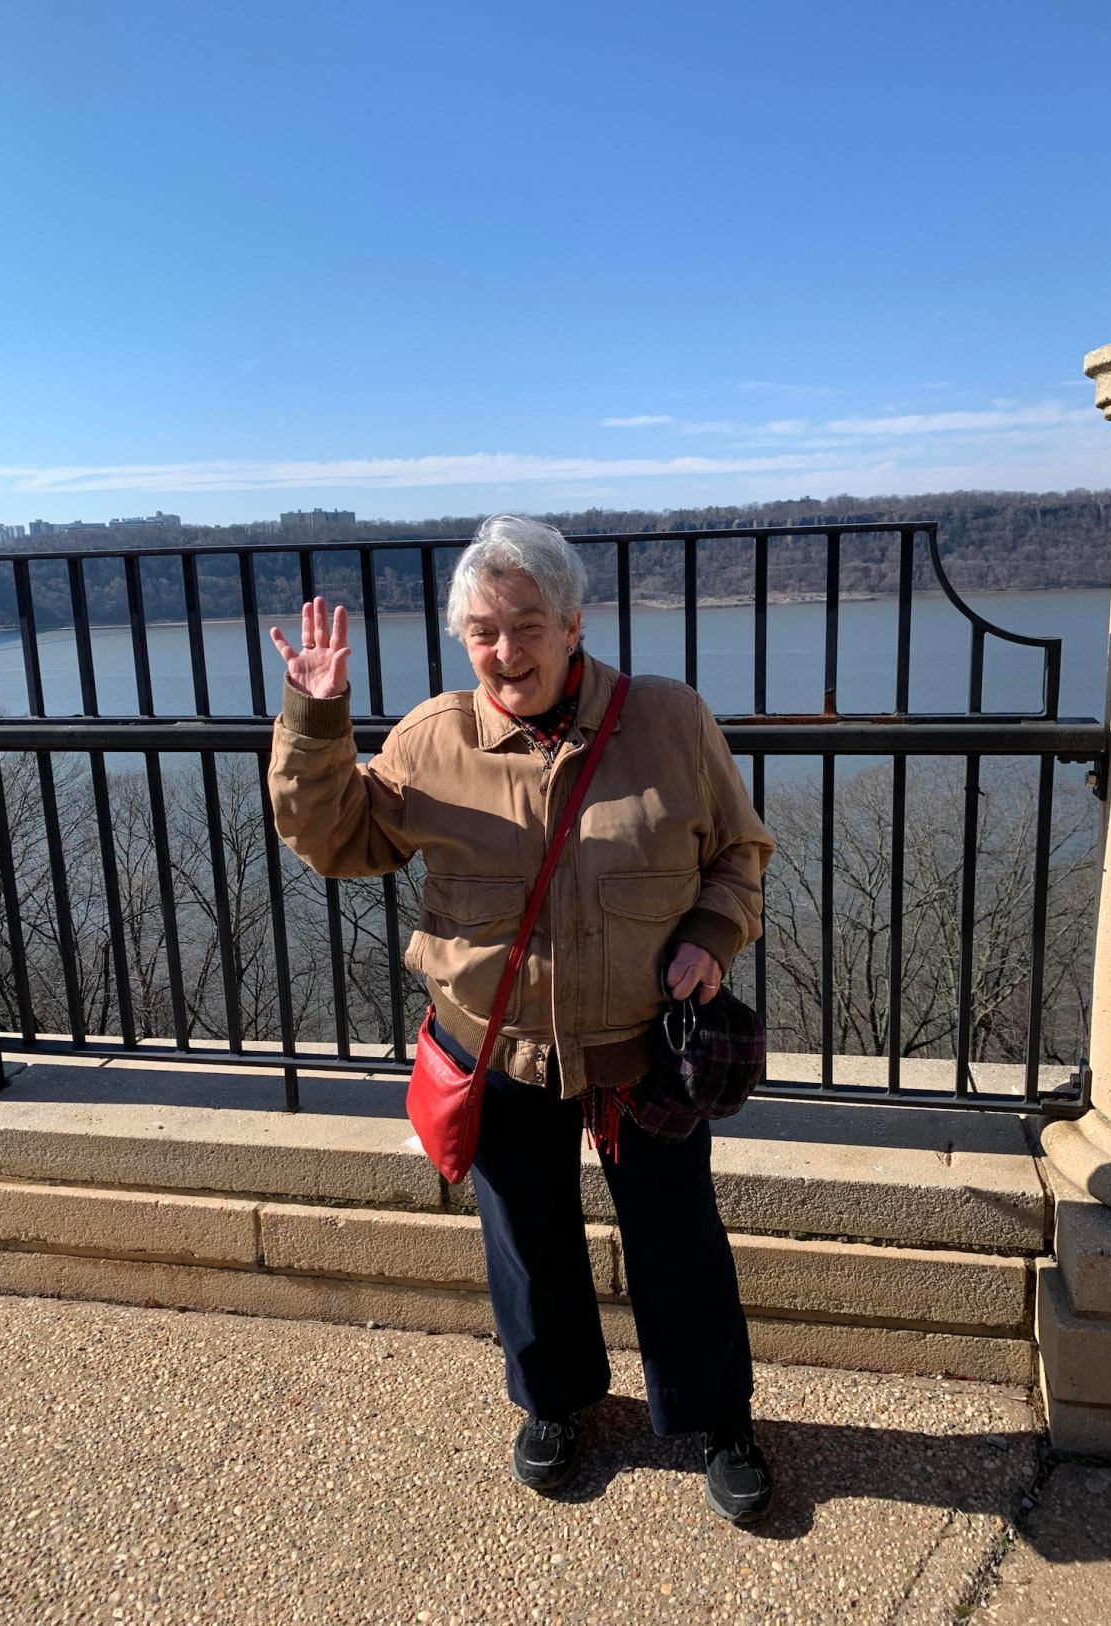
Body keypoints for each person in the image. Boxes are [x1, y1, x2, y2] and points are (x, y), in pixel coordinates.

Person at [267, 515, 776, 1523]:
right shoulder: (431, 740)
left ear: (572, 623)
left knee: (675, 1239)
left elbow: (738, 851)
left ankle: (716, 1416)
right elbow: (332, 840)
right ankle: (554, 1401)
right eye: (484, 632)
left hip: (639, 1048)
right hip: (495, 1045)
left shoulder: (669, 721)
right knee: (526, 1240)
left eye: (527, 625)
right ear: (463, 640)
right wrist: (316, 721)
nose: (506, 653)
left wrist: (709, 936)